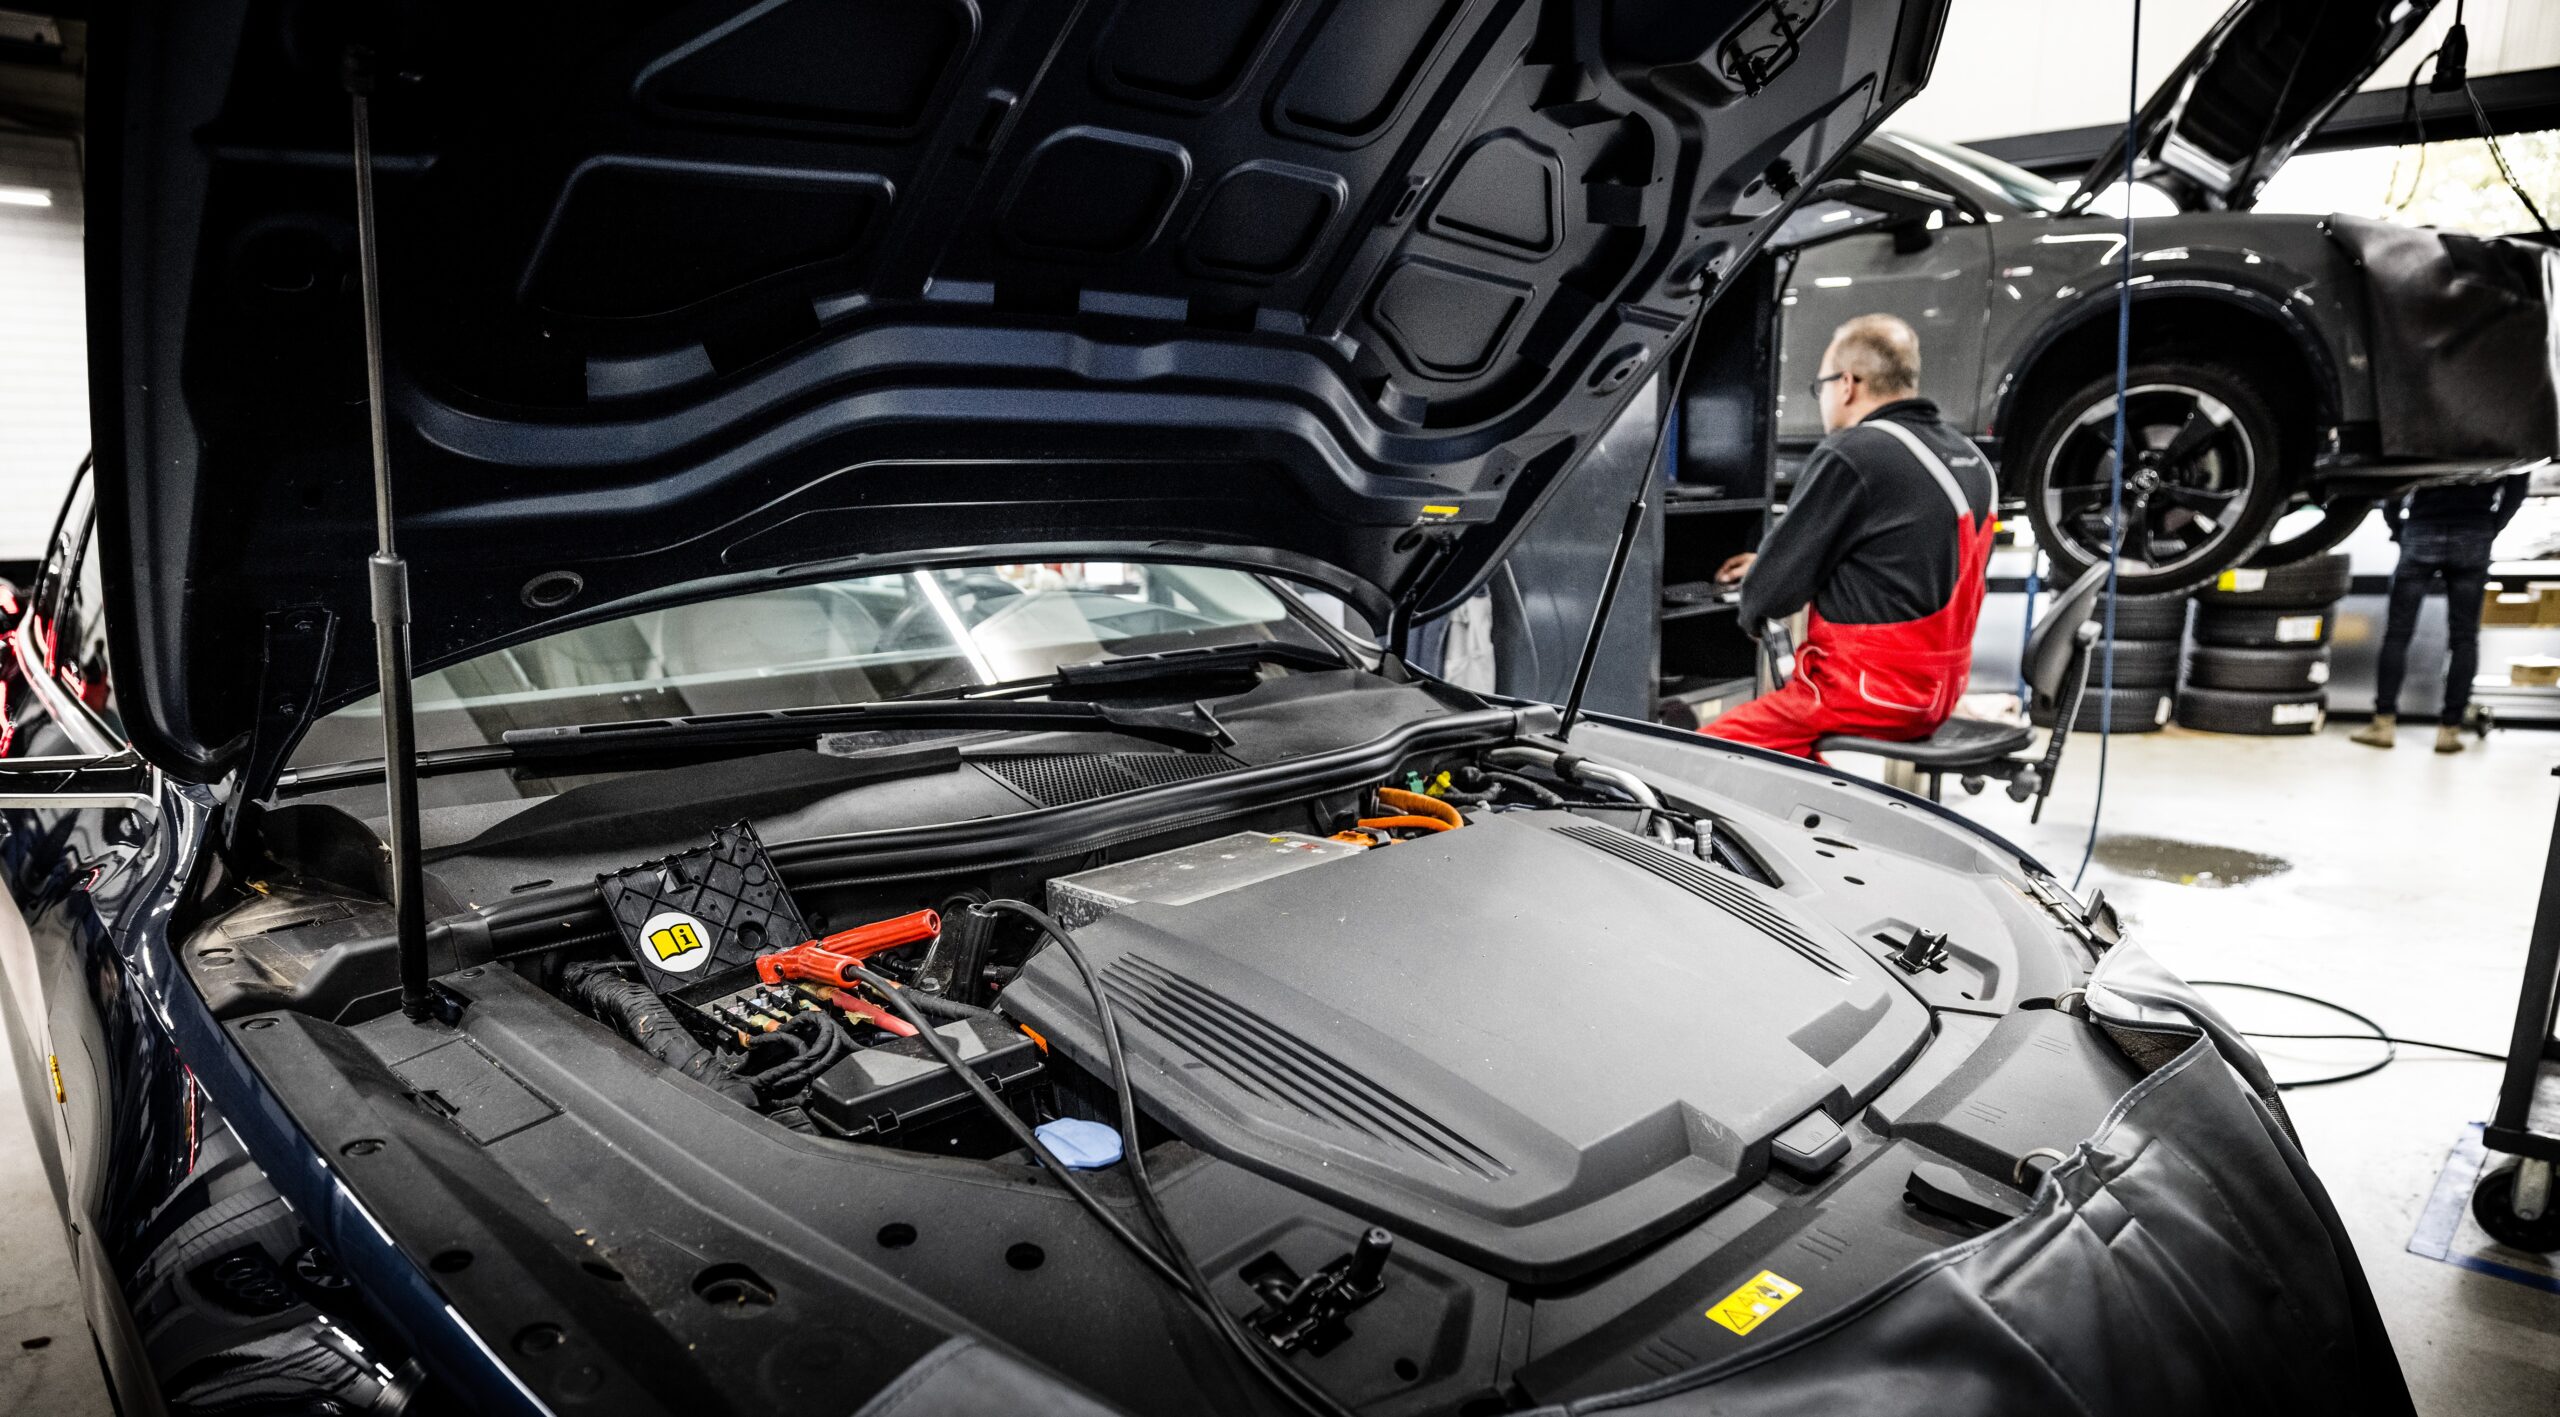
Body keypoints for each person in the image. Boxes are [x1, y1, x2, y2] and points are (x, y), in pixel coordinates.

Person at [1698, 313, 1996, 758]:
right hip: (1937, 695)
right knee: (1792, 759)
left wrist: (1755, 598)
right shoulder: (1969, 458)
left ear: (1847, 383)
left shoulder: (1854, 452)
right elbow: (1899, 566)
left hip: (1864, 696)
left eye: (1820, 386)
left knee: (1696, 756)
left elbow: (1771, 596)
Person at [2349, 470, 2533, 754]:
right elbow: (2518, 484)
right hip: (2474, 532)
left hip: (2422, 528)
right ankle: (2449, 730)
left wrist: (2398, 527)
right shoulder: (2502, 428)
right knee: (2464, 638)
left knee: (2397, 635)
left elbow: (2396, 480)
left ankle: (2383, 724)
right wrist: (2492, 525)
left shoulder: (2426, 424)